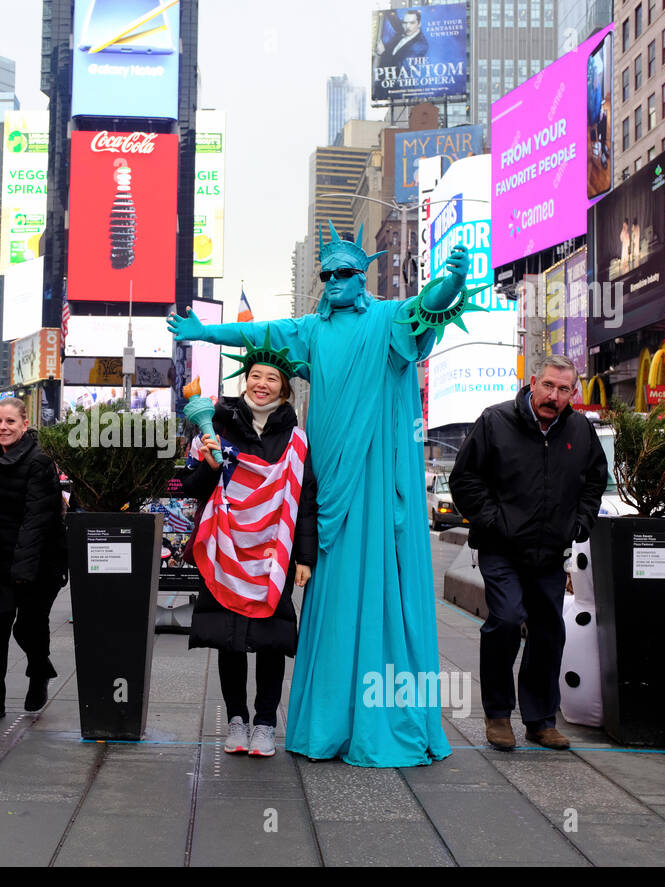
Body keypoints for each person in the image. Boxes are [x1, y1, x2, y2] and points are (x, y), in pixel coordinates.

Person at [170, 225, 476, 766]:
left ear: (363, 278)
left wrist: (452, 280)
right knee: (322, 600)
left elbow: (425, 308)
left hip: (372, 480)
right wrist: (204, 332)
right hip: (327, 479)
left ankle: (366, 716)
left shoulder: (385, 319)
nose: (333, 282)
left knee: (371, 586)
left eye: (343, 274)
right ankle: (303, 717)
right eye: (326, 275)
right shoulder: (310, 331)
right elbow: (259, 334)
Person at [449, 355, 608, 751]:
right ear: (533, 382)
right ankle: (498, 714)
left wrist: (580, 523)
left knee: (548, 630)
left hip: (550, 550)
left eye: (564, 390)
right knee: (505, 620)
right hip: (501, 547)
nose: (554, 396)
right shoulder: (494, 421)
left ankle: (539, 720)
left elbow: (594, 481)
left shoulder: (580, 430)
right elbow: (464, 479)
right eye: (548, 386)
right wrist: (493, 520)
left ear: (574, 393)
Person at [182, 351, 318, 758]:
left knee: (270, 640)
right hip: (226, 549)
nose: (262, 384)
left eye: (271, 378)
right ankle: (237, 720)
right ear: (246, 381)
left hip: (273, 555)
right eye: (255, 376)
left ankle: (264, 724)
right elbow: (192, 488)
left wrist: (305, 558)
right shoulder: (218, 428)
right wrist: (208, 464)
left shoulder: (296, 439)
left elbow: (305, 500)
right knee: (230, 639)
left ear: (285, 388)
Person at [0, 398, 67, 724]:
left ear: (24, 424)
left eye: (10, 422)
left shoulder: (39, 462)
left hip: (37, 562)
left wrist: (23, 571)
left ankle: (39, 670)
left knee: (29, 627)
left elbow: (37, 521)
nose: (3, 428)